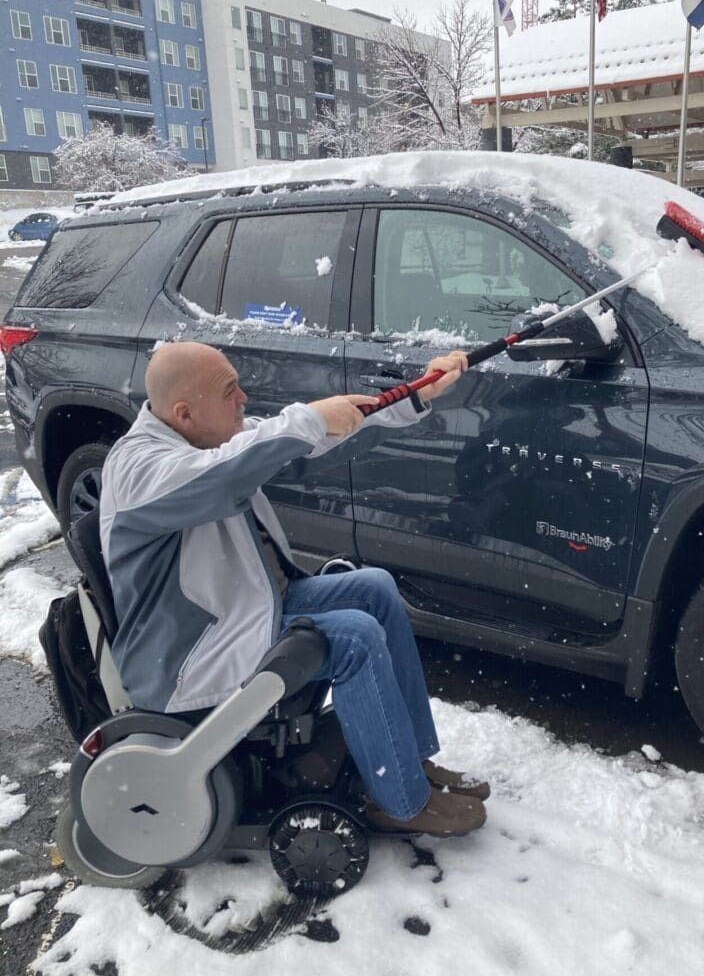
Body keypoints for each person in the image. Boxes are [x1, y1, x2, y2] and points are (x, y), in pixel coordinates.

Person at [99, 341, 489, 838]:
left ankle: (407, 760)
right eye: (229, 390)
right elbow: (224, 477)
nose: (243, 398)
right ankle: (401, 801)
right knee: (353, 637)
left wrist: (413, 395)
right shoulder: (140, 469)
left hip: (242, 612)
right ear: (184, 412)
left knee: (374, 589)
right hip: (190, 653)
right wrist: (304, 419)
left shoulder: (200, 436)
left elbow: (305, 437)